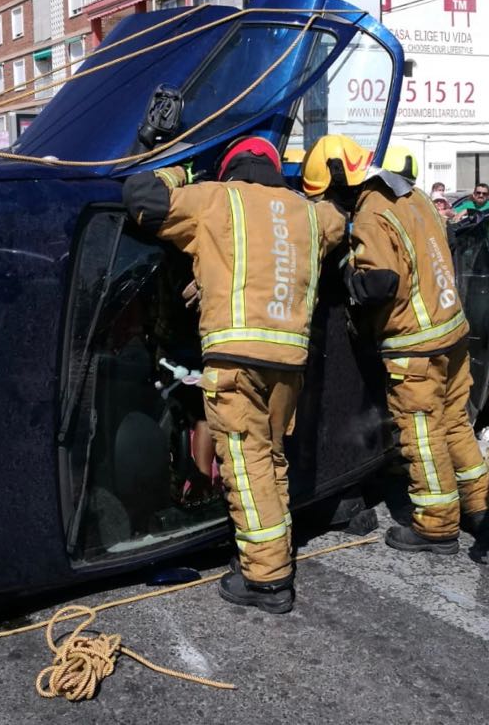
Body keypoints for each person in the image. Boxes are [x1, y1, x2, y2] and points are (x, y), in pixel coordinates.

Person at [123, 136, 345, 613]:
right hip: (289, 361)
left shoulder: (216, 200)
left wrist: (176, 167)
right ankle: (272, 550)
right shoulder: (309, 214)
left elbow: (142, 201)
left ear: (227, 170)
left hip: (236, 358)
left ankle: (266, 578)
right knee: (270, 459)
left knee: (245, 463)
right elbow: (338, 220)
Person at [303, 135, 489, 555]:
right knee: (455, 422)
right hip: (452, 332)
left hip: (415, 344)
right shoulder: (417, 197)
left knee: (420, 432)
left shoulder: (371, 213)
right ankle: (480, 504)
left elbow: (380, 282)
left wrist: (351, 275)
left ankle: (437, 525)